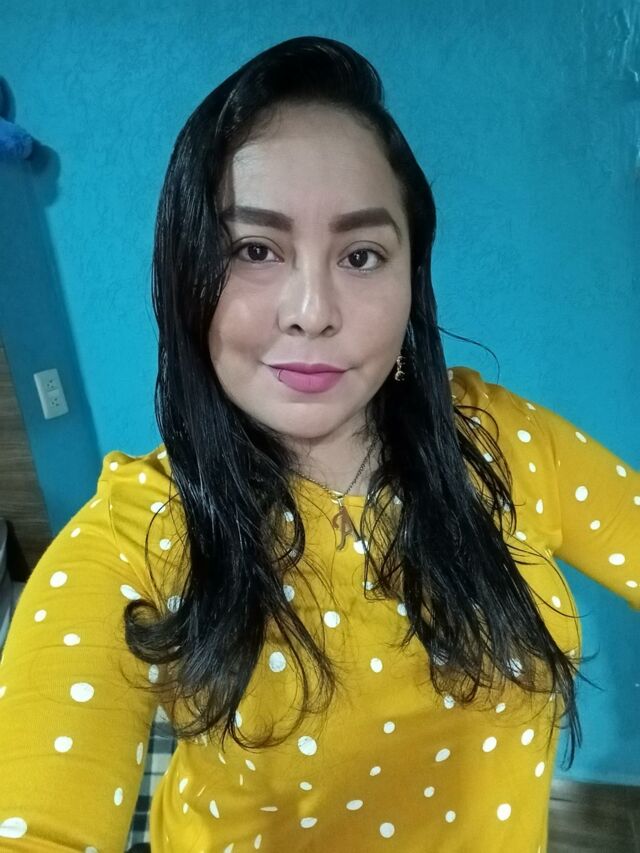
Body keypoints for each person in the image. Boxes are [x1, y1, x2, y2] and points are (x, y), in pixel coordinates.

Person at [0, 35, 638, 853]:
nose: (312, 311)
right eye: (254, 250)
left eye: (361, 255)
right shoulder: (137, 535)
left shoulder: (500, 441)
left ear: (411, 282)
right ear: (187, 274)